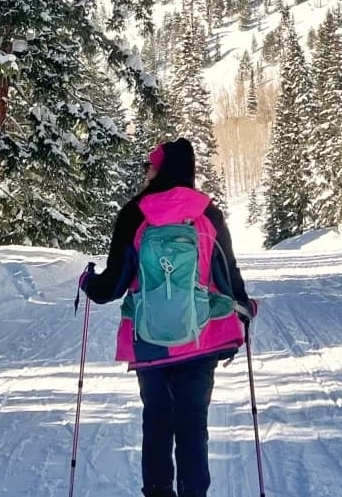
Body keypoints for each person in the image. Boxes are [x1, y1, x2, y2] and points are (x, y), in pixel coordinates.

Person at [80, 137, 257, 497]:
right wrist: (243, 307)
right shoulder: (207, 212)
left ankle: (158, 491)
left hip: (150, 339)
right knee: (193, 423)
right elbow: (227, 272)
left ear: (160, 169)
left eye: (150, 165)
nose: (146, 172)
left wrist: (88, 282)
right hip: (199, 336)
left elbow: (112, 286)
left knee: (157, 420)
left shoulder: (135, 213)